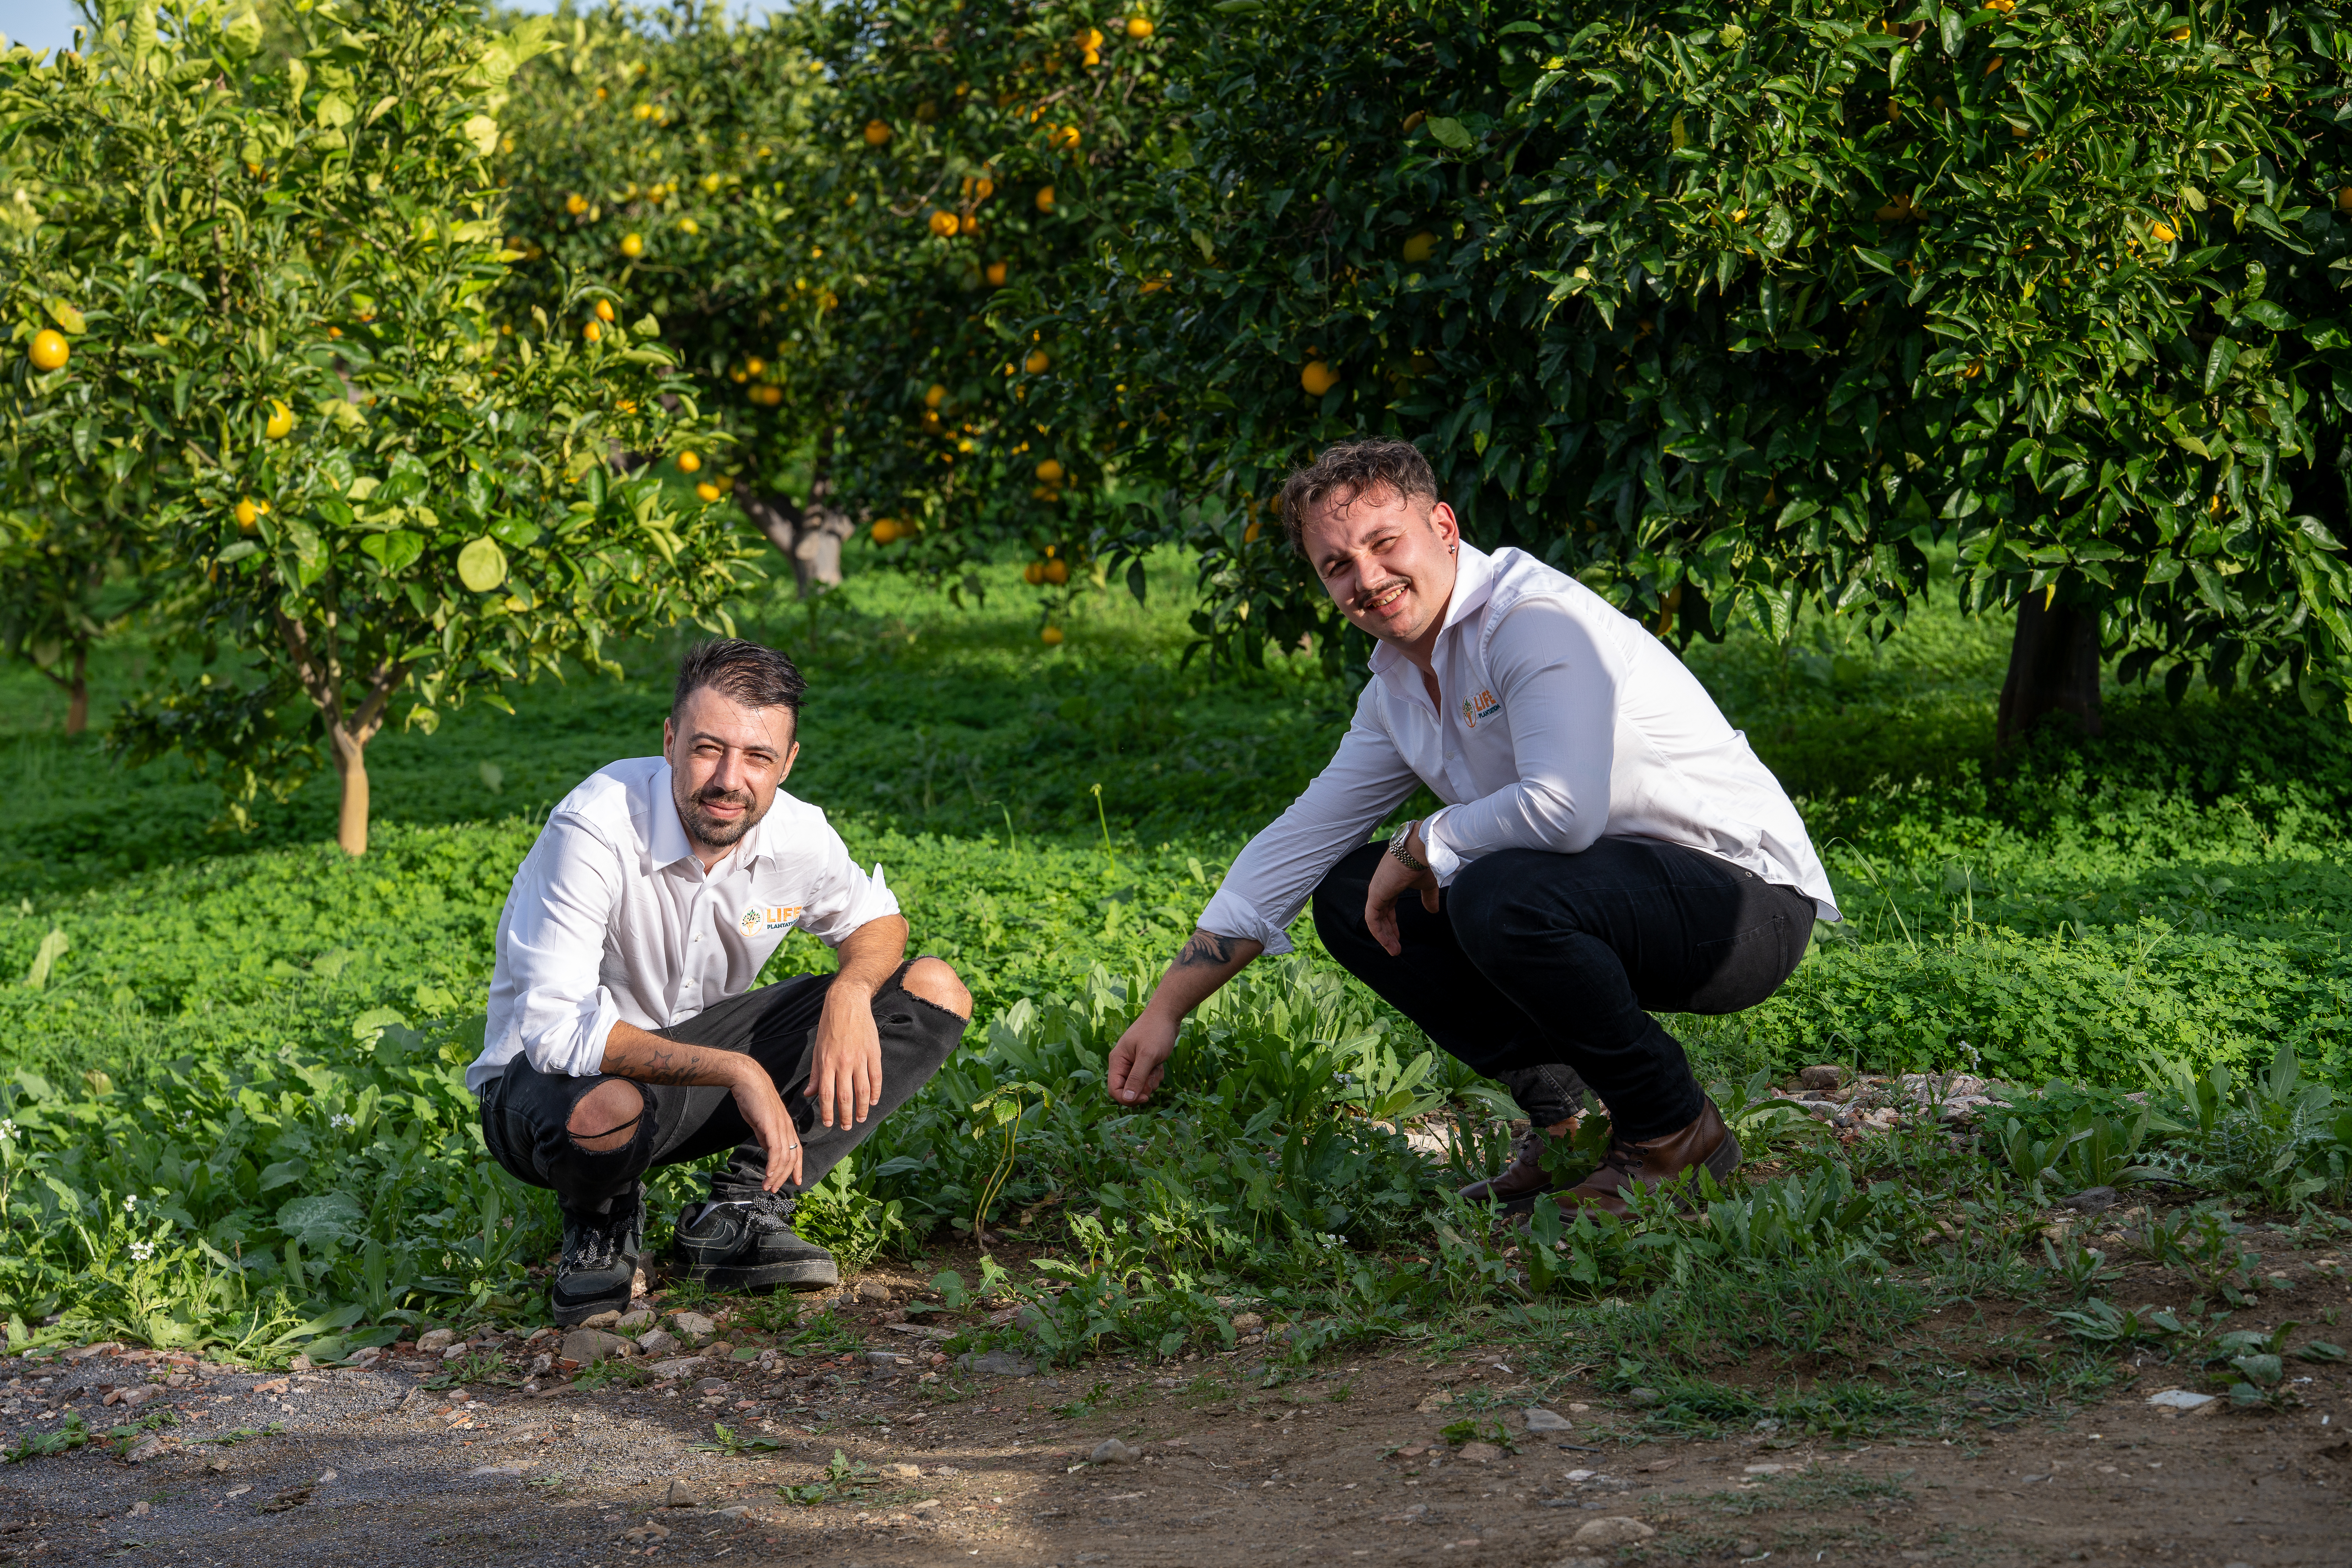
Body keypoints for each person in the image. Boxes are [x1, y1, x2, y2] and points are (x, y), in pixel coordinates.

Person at [1105, 440, 1838, 1220]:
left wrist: (1423, 840)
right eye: (1337, 565)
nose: (1368, 578)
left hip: (1743, 905)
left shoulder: (1532, 621)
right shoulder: (1397, 686)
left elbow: (1565, 807)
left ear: (1445, 526)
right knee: (1351, 891)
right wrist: (1167, 1008)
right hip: (1610, 896)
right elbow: (1300, 841)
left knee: (1494, 889)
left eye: (1385, 543)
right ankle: (1568, 1121)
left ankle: (1674, 1132)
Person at [471, 639, 972, 1325]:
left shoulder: (799, 833)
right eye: (708, 748)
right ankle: (601, 1223)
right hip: (548, 1091)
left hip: (687, 1083)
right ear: (671, 739)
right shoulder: (595, 824)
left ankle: (737, 1211)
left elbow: (877, 920)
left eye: (758, 757)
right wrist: (738, 1068)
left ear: (787, 763)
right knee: (603, 1105)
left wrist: (851, 993)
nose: (729, 779)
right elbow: (558, 1033)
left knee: (933, 989)